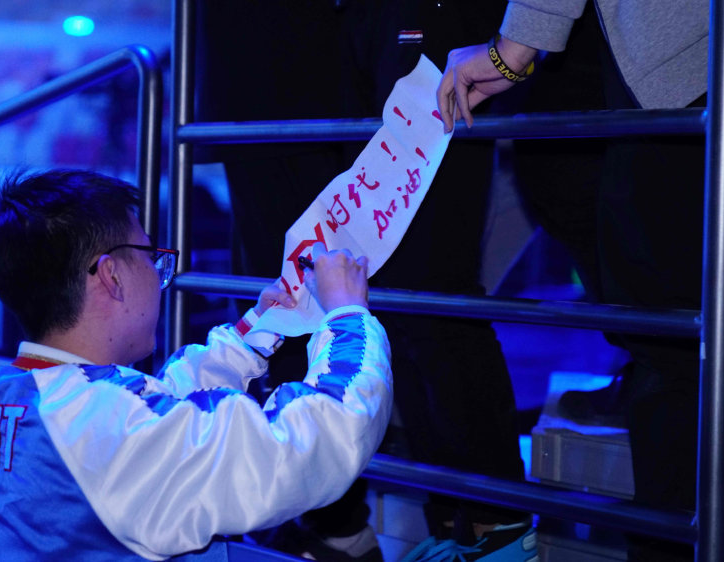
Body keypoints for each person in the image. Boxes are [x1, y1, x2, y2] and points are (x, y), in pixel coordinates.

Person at [436, 1, 724, 560]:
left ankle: (675, 544)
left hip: (697, 42)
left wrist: (513, 49)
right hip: (628, 34)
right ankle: (647, 358)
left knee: (673, 324)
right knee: (560, 182)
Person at [197, 3, 535, 560]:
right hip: (272, 58)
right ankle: (343, 526)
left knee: (427, 297)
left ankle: (490, 530)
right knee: (298, 299)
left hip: (380, 40)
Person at [0, 169, 392, 561]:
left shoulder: (11, 391)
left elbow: (156, 417)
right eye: (151, 257)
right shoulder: (109, 429)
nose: (157, 273)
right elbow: (315, 441)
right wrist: (346, 314)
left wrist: (254, 334)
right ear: (111, 276)